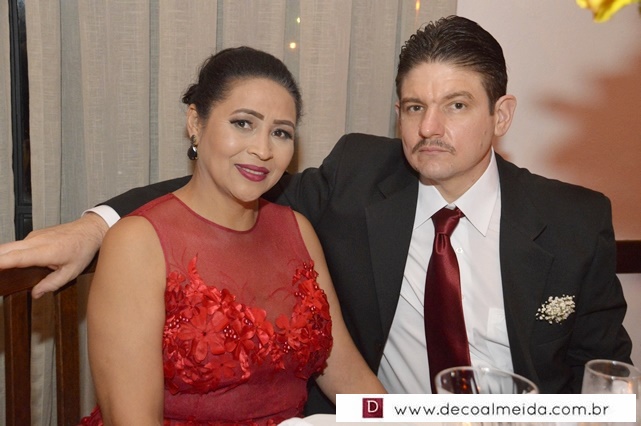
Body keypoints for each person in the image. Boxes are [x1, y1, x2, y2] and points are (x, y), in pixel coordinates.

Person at [0, 15, 631, 414]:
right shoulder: (356, 179)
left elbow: (605, 386)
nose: (429, 128)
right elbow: (217, 189)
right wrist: (98, 224)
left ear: (501, 116)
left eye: (457, 105)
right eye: (414, 107)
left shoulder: (573, 221)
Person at [75, 47, 385, 425]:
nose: (263, 150)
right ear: (195, 121)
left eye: (280, 133)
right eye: (243, 123)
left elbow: (349, 379)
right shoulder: (138, 243)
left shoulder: (298, 231)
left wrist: (420, 418)